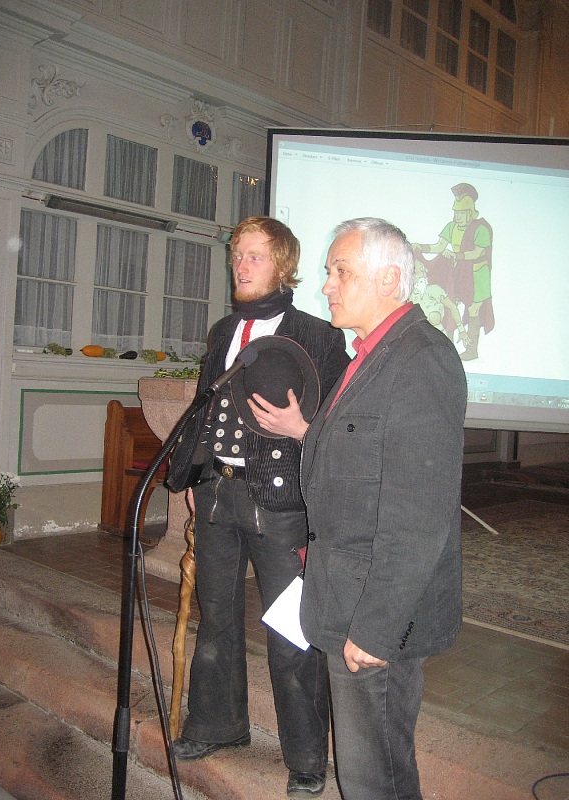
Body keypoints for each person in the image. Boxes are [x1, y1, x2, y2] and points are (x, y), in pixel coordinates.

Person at [167, 216, 349, 798]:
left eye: (254, 256)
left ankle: (306, 758)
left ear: (282, 266)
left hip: (282, 503)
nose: (240, 266)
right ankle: (217, 724)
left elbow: (344, 424)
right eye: (237, 255)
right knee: (216, 618)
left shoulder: (318, 335)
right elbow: (206, 408)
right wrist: (196, 476)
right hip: (217, 494)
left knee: (291, 631)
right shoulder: (224, 330)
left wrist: (304, 429)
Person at [296, 217, 467, 800]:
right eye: (328, 272)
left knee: (375, 779)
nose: (326, 285)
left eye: (340, 271)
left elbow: (419, 517)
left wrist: (377, 628)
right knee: (364, 769)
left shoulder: (421, 360)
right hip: (344, 594)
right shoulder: (369, 356)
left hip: (375, 616)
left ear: (390, 278)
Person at [412, 182, 494, 360]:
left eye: (462, 213)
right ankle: (446, 348)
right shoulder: (451, 227)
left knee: (473, 310)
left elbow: (478, 253)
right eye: (456, 212)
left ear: (470, 212)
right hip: (460, 274)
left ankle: (471, 350)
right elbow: (439, 246)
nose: (458, 216)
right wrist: (421, 247)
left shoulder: (481, 229)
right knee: (450, 306)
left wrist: (457, 255)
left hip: (478, 275)